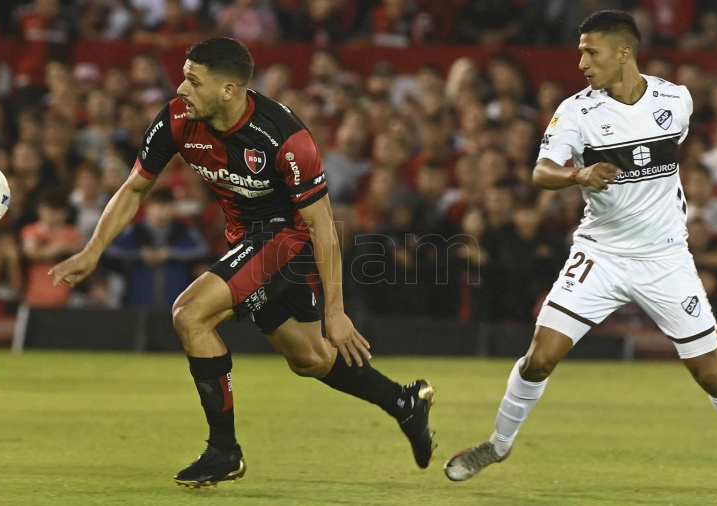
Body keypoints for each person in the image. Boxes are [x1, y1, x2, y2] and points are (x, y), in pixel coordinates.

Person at [48, 37, 435, 488]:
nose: (181, 87)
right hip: (246, 241)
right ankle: (403, 402)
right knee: (309, 358)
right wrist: (93, 250)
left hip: (285, 240)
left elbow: (323, 227)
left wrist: (335, 311)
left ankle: (223, 452)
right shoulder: (177, 118)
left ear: (229, 90)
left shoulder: (285, 138)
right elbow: (135, 187)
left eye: (194, 80)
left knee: (190, 315)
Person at [443, 11, 717, 502]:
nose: (582, 61)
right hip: (601, 254)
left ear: (623, 52)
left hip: (666, 258)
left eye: (591, 51)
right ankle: (498, 445)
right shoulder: (576, 111)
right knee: (539, 359)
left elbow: (664, 159)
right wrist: (577, 176)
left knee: (711, 372)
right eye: (581, 51)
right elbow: (542, 171)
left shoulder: (676, 100)